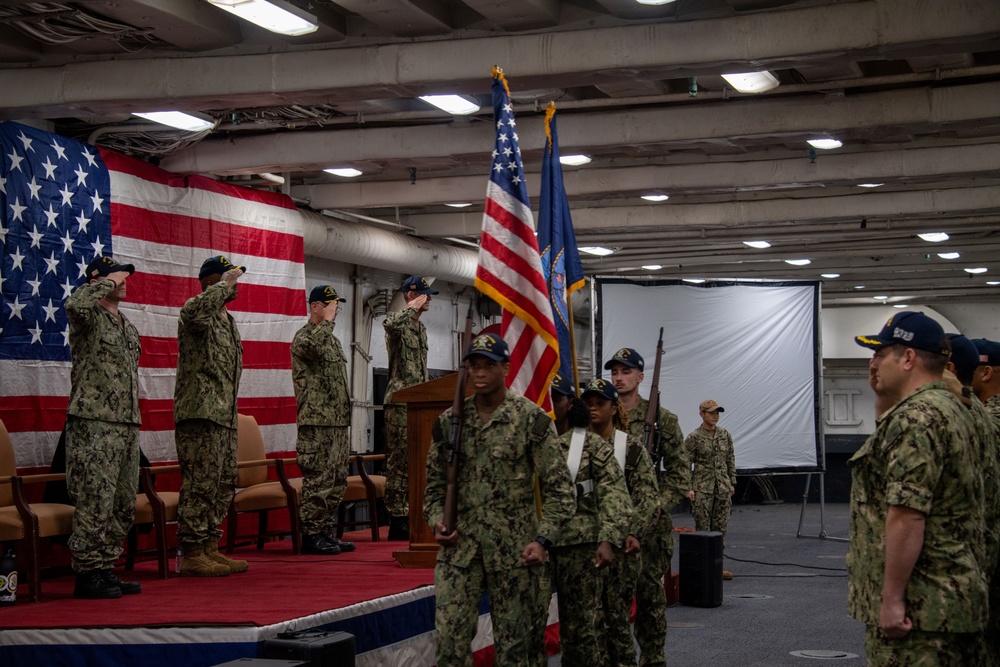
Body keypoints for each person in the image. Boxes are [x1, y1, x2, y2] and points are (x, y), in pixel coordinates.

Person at [423, 333, 576, 667]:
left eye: (488, 366)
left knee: (517, 649)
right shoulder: (449, 423)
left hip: (516, 554)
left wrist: (543, 540)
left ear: (506, 368)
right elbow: (433, 490)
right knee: (449, 644)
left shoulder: (529, 420)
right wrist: (437, 520)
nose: (480, 373)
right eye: (474, 366)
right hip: (460, 552)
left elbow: (560, 490)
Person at [848, 311, 988, 666]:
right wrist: (881, 396)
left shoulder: (916, 419)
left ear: (908, 357)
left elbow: (907, 516)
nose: (873, 361)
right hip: (949, 596)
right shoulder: (950, 408)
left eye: (881, 352)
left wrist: (892, 599)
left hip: (920, 609)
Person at [64, 256, 142, 599]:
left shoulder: (125, 324)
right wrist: (106, 280)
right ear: (97, 279)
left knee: (122, 502)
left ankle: (105, 567)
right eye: (116, 275)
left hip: (125, 423)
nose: (124, 280)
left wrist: (111, 278)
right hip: (93, 422)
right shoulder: (87, 315)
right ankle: (87, 572)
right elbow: (76, 301)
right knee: (95, 498)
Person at [605, 347, 687, 666]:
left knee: (650, 599)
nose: (619, 378)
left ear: (640, 377)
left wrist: (655, 506)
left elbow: (680, 474)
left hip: (650, 529)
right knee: (612, 601)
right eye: (614, 372)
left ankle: (653, 659)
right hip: (610, 523)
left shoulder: (663, 419)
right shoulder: (604, 417)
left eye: (625, 372)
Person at [549, 374, 632, 665]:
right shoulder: (538, 444)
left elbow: (618, 495)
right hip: (536, 546)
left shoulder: (598, 446)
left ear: (569, 403)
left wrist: (611, 537)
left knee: (586, 630)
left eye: (556, 398)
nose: (549, 403)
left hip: (580, 545)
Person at [174, 255, 248, 578]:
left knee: (222, 484)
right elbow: (193, 312)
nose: (234, 285)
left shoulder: (227, 320)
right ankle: (191, 551)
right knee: (200, 483)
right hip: (200, 413)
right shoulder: (197, 312)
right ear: (210, 282)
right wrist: (221, 288)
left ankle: (209, 547)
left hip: (224, 415)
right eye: (227, 278)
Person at [582, 378, 659, 667]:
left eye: (599, 403)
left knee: (615, 626)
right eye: (587, 403)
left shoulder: (629, 447)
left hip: (620, 550)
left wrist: (635, 533)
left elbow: (647, 498)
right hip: (584, 546)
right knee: (587, 628)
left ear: (614, 408)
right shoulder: (575, 446)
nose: (592, 408)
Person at [291, 285, 356, 556]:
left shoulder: (332, 340)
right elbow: (313, 348)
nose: (335, 309)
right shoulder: (305, 337)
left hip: (337, 421)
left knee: (337, 480)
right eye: (329, 305)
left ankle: (324, 531)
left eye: (336, 305)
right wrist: (327, 322)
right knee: (318, 480)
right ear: (315, 307)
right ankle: (311, 534)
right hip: (316, 422)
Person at [383, 275, 437, 540]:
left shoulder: (420, 329)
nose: (428, 299)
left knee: (420, 461)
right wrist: (411, 307)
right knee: (400, 463)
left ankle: (415, 512)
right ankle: (397, 518)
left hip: (420, 403)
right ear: (410, 295)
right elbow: (389, 322)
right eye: (424, 294)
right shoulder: (398, 322)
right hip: (400, 402)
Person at [684, 399, 737, 579]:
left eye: (717, 413)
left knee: (720, 530)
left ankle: (716, 567)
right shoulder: (694, 438)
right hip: (702, 490)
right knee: (703, 530)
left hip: (722, 488)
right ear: (702, 414)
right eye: (711, 413)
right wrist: (688, 488)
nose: (715, 416)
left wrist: (731, 482)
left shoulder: (724, 435)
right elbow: (685, 464)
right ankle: (703, 568)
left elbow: (730, 459)